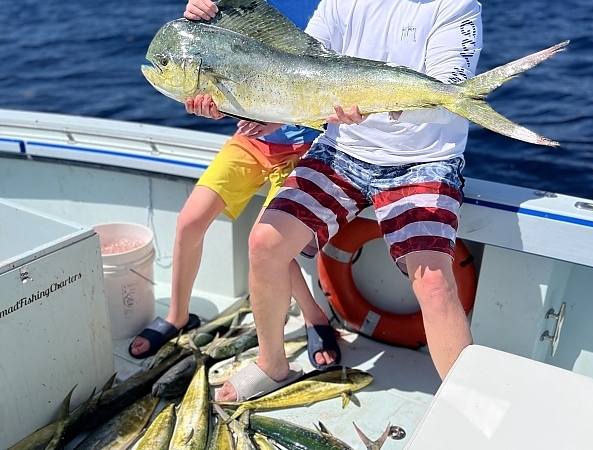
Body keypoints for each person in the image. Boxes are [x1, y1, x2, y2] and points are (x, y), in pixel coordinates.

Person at [205, 0, 484, 402]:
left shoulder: (457, 6)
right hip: (344, 149)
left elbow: (446, 97)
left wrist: (369, 102)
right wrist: (245, 101)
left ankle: (466, 410)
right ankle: (272, 364)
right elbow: (298, 65)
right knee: (264, 244)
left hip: (424, 160)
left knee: (435, 283)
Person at [128, 0, 342, 373]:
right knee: (189, 222)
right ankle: (178, 316)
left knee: (270, 239)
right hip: (253, 139)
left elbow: (338, 81)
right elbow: (216, 62)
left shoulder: (334, 6)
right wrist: (197, 11)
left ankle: (314, 316)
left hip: (309, 144)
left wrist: (274, 119)